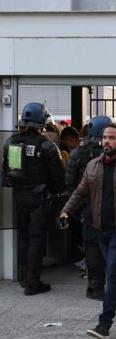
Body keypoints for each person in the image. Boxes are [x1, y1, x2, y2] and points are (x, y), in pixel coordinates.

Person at [60, 123, 116, 339]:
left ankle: (104, 324)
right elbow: (80, 192)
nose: (107, 141)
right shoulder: (93, 165)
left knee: (113, 273)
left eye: (112, 138)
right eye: (105, 137)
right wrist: (66, 211)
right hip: (100, 228)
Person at [1, 103, 65, 295]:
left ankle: (22, 276)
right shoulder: (46, 145)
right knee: (36, 237)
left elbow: (8, 170)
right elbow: (57, 176)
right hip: (39, 196)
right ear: (42, 122)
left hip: (19, 195)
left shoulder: (11, 142)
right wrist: (57, 192)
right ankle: (33, 281)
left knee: (23, 236)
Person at [66, 115, 114, 300]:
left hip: (88, 208)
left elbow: (70, 183)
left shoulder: (77, 153)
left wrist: (77, 207)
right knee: (113, 248)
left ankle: (95, 288)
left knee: (92, 247)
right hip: (111, 208)